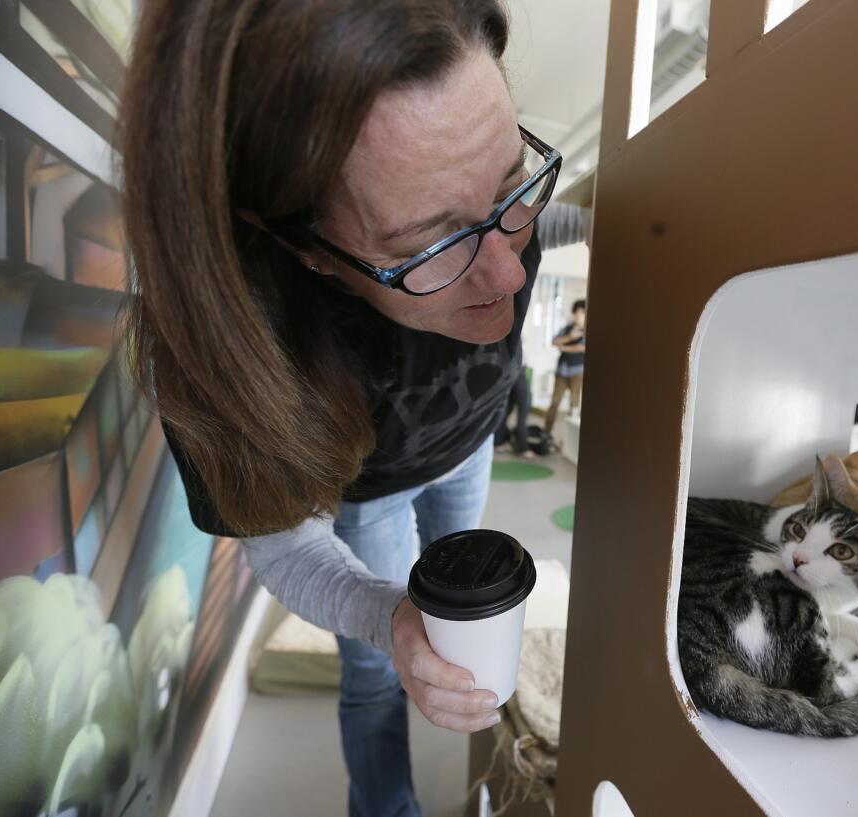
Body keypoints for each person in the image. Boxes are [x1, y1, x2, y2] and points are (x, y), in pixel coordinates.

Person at [119, 2, 581, 815]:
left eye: (513, 189)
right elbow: (289, 551)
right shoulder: (241, 342)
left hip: (467, 447)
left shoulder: (489, 210)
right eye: (430, 248)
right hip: (367, 493)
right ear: (299, 247)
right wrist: (387, 615)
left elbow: (544, 222)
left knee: (470, 610)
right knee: (380, 670)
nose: (509, 277)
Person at [544, 299, 587, 435]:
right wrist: (569, 337)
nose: (578, 315)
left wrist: (563, 347)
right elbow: (554, 341)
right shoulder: (568, 328)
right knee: (554, 403)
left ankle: (572, 439)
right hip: (562, 370)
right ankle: (546, 433)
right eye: (576, 312)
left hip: (578, 372)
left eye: (581, 312)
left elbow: (582, 348)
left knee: (574, 405)